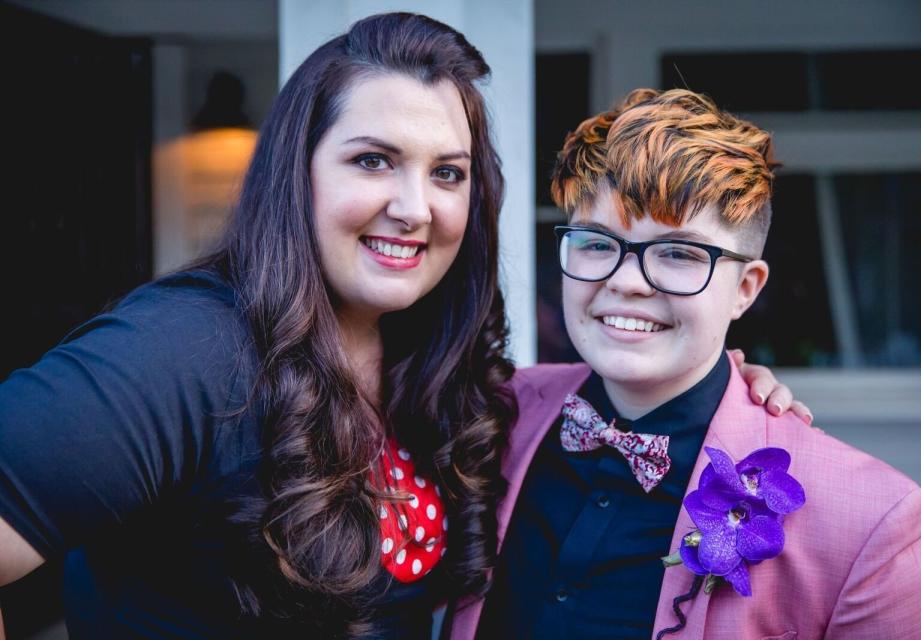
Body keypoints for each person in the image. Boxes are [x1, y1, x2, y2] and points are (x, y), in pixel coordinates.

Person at [0, 13, 800, 639]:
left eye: (446, 173)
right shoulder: (185, 351)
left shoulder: (437, 369)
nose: (414, 207)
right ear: (298, 171)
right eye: (373, 160)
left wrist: (731, 390)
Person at [450, 89, 921, 639]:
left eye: (678, 254)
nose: (624, 281)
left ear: (744, 289)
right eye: (597, 243)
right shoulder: (489, 412)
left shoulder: (871, 524)